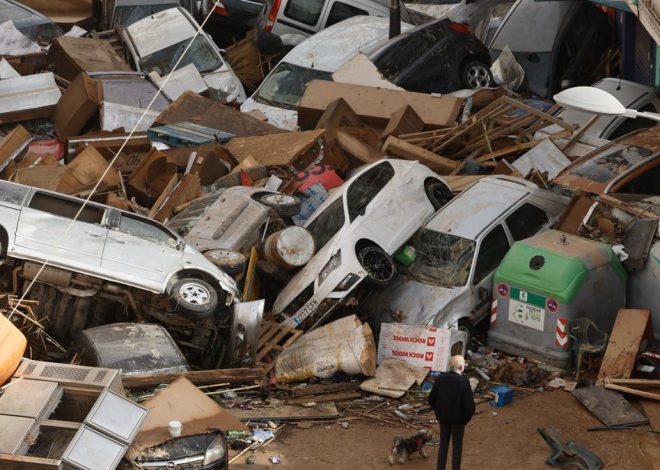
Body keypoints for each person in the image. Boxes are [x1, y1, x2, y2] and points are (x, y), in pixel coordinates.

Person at [428, 355, 475, 470]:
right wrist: (465, 419)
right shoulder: (464, 382)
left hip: (443, 419)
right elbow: (469, 406)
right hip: (458, 421)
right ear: (461, 366)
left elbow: (431, 399)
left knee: (443, 444)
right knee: (457, 446)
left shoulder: (440, 378)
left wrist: (439, 412)